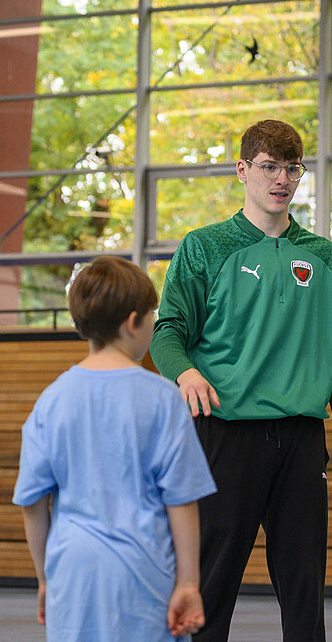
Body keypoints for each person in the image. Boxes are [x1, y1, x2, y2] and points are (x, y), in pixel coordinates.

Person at [151, 118, 332, 640]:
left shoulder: (324, 257)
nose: (281, 179)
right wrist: (185, 372)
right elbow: (166, 333)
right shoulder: (204, 247)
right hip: (225, 437)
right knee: (211, 588)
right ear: (243, 170)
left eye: (292, 169)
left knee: (305, 596)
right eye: (269, 167)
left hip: (301, 442)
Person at [14, 256, 216, 641]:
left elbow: (32, 502)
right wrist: (188, 583)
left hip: (72, 572)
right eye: (152, 317)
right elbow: (181, 501)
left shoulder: (51, 400)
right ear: (132, 321)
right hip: (144, 569)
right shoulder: (164, 399)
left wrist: (44, 578)